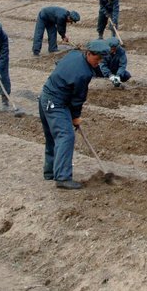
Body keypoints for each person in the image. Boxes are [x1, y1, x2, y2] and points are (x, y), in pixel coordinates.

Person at [38, 39, 108, 189]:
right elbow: (78, 99)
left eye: (102, 59)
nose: (99, 62)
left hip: (45, 96)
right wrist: (75, 117)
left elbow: (60, 67)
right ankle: (62, 177)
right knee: (66, 136)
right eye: (97, 58)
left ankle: (50, 172)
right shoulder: (83, 74)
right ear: (89, 53)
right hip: (55, 102)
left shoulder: (74, 54)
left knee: (53, 136)